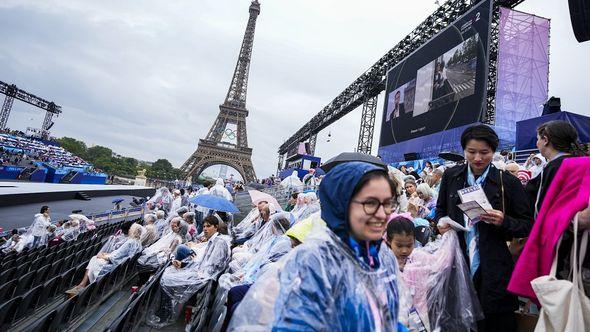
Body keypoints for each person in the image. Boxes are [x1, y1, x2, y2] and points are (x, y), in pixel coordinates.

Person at [230, 162, 402, 330]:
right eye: (370, 203)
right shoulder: (313, 261)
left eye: (388, 203)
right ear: (342, 203)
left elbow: (388, 322)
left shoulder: (384, 257)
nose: (382, 214)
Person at [435, 124, 533, 331]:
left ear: (494, 152)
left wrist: (503, 221)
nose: (478, 158)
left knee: (494, 321)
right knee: (458, 319)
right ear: (464, 151)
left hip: (494, 266)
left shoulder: (507, 182)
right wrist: (441, 224)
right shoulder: (452, 177)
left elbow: (527, 225)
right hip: (457, 262)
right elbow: (440, 211)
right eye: (471, 152)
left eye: (484, 152)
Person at [146, 216, 230, 328]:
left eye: (208, 226)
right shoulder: (213, 241)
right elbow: (203, 263)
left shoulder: (219, 243)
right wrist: (183, 264)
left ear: (216, 227)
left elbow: (212, 268)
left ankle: (165, 314)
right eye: (204, 226)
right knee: (167, 274)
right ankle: (164, 310)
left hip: (203, 278)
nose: (205, 229)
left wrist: (194, 273)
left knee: (167, 280)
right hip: (199, 273)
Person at [525, 120, 589, 218]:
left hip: (559, 228)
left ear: (545, 140)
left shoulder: (553, 168)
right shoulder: (582, 163)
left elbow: (540, 208)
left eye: (538, 139)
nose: (537, 143)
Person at [67, 223, 143, 295]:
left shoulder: (129, 242)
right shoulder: (138, 242)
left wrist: (103, 256)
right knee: (94, 259)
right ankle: (83, 284)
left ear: (132, 231)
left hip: (115, 264)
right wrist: (107, 254)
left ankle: (83, 284)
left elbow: (114, 257)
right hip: (122, 263)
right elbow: (121, 254)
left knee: (94, 259)